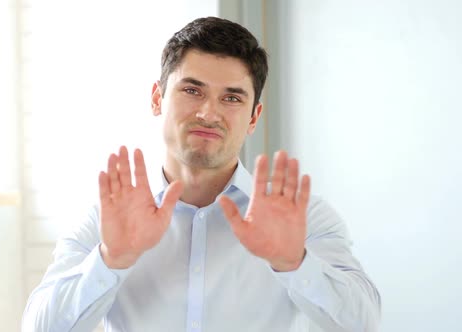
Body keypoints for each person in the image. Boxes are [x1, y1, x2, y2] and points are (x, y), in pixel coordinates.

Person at [21, 16, 381, 332]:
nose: (209, 113)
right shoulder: (106, 218)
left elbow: (364, 324)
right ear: (157, 99)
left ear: (253, 117)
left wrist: (293, 264)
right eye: (192, 90)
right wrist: (111, 260)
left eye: (232, 98)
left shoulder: (305, 218)